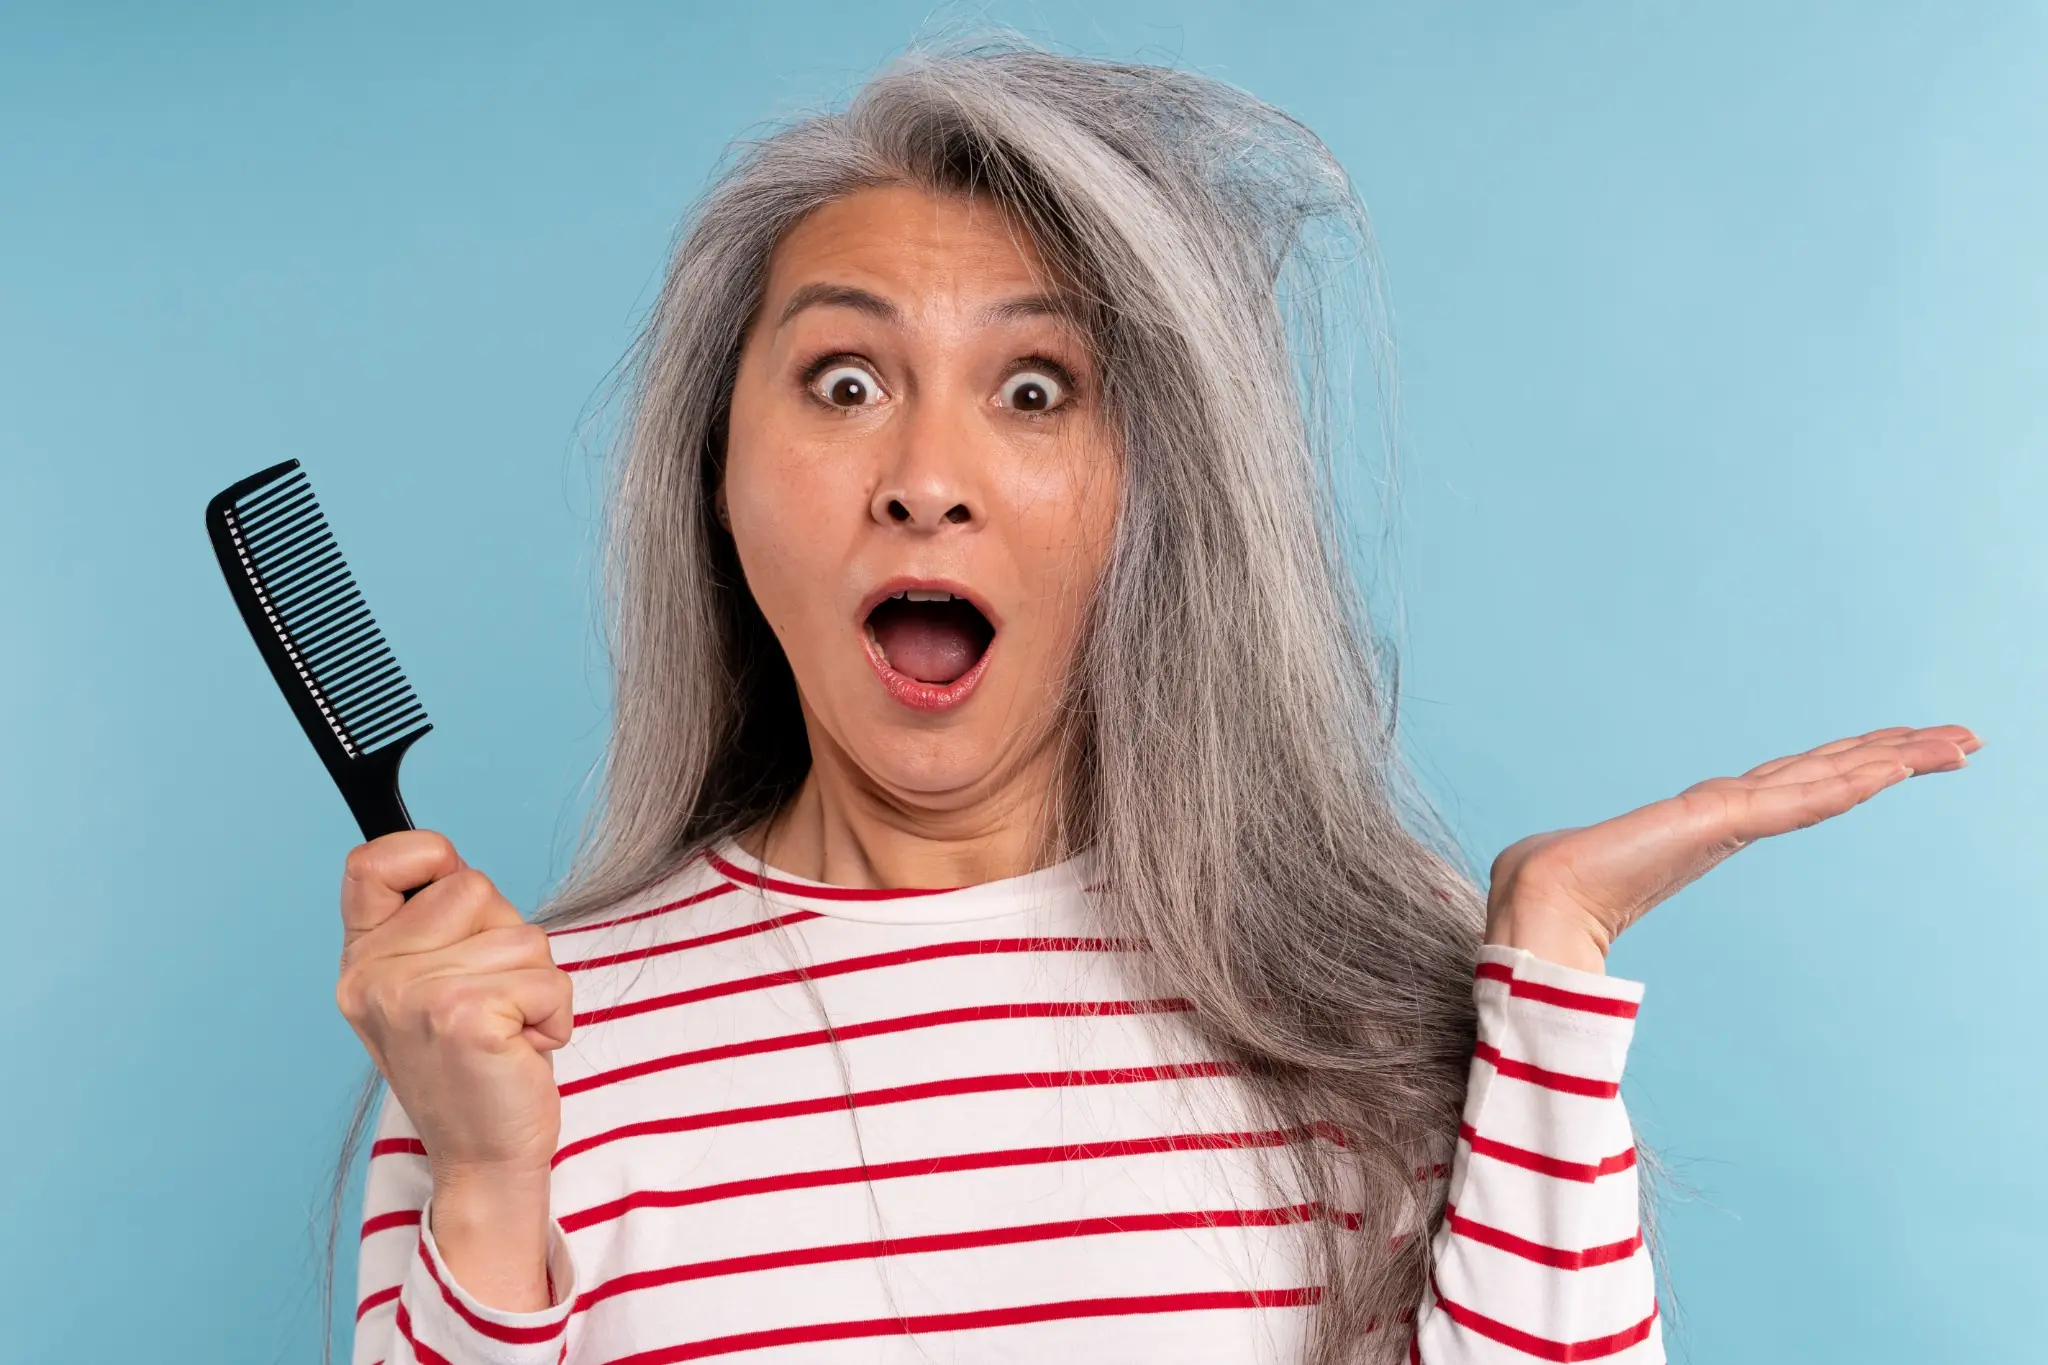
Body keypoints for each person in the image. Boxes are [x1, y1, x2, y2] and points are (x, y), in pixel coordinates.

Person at [334, 42, 1978, 1365]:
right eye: (844, 382)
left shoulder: (1348, 1006)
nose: (925, 478)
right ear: (716, 478)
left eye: (1034, 389)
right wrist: (486, 1184)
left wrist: (1545, 968)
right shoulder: (506, 1051)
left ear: (1155, 495)